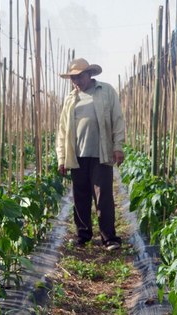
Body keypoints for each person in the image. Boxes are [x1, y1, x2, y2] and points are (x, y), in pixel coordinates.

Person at [56, 58, 126, 251]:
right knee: (80, 196)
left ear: (89, 74)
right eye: (73, 78)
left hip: (101, 153)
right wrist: (61, 158)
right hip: (77, 155)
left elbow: (117, 119)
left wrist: (118, 146)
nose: (76, 81)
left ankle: (109, 237)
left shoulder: (106, 91)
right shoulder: (71, 99)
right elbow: (62, 131)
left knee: (103, 196)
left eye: (79, 77)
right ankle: (83, 235)